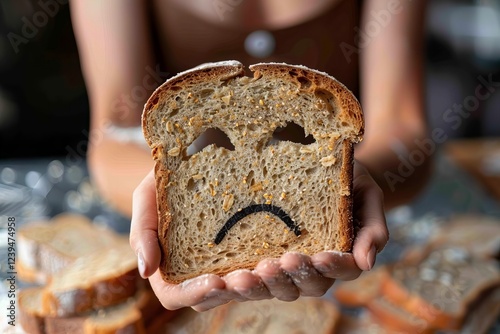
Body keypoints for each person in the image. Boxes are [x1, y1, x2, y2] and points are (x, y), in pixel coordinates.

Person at [70, 0, 429, 311]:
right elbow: (115, 130)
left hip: (357, 270)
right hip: (196, 270)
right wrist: (165, 199)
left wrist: (352, 185)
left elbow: (402, 125)